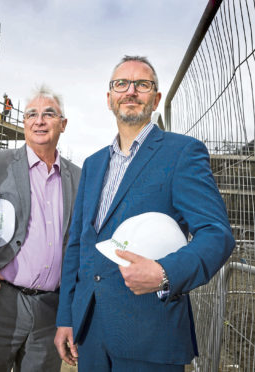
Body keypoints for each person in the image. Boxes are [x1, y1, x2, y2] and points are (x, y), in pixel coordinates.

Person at [54, 56, 235, 371]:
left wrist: (165, 273)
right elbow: (78, 245)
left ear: (156, 98)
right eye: (121, 84)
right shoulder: (94, 164)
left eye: (143, 84)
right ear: (109, 98)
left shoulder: (182, 153)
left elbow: (216, 234)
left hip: (150, 334)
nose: (131, 91)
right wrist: (67, 317)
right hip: (91, 333)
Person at [0, 86, 81, 372]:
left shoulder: (79, 177)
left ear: (63, 124)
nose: (39, 120)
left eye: (49, 114)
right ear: (23, 123)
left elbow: (78, 245)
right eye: (31, 114)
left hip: (49, 311)